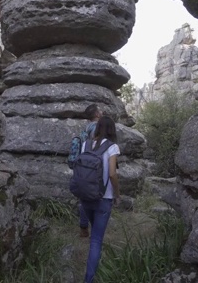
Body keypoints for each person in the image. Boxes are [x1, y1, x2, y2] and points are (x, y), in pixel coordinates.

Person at [80, 116, 121, 283]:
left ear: (97, 128)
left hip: (86, 196)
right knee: (96, 240)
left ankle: (94, 264)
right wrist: (117, 194)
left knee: (94, 233)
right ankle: (88, 279)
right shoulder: (112, 147)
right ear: (112, 129)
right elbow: (112, 173)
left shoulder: (86, 144)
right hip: (104, 199)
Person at [78, 104, 103, 238]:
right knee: (95, 195)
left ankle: (83, 227)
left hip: (84, 163)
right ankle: (95, 228)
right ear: (97, 114)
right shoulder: (97, 127)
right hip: (94, 164)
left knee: (84, 197)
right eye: (100, 110)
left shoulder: (86, 128)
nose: (102, 111)